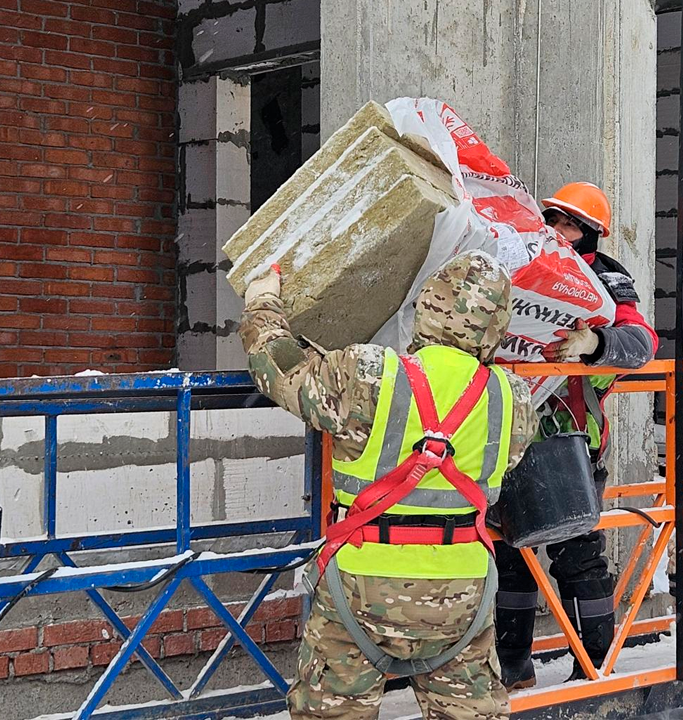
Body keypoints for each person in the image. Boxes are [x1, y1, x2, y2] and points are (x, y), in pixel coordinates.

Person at [239, 251, 538, 720]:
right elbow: (510, 460)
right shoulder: (512, 396)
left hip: (361, 587)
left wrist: (262, 304)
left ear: (426, 307)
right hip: (464, 595)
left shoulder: (368, 373)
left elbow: (279, 369)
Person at [494, 182, 659, 689]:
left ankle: (593, 668)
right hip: (508, 433)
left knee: (578, 555)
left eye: (572, 225)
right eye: (554, 221)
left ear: (591, 235)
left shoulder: (605, 278)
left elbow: (641, 342)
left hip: (569, 439)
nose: (560, 232)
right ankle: (513, 667)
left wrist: (595, 342)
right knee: (510, 554)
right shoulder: (518, 262)